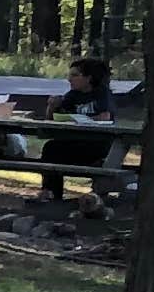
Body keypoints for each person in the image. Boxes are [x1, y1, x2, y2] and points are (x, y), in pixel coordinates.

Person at [40, 54, 118, 207]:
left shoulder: (102, 94)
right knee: (51, 148)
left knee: (55, 149)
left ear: (88, 78)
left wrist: (81, 119)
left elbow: (105, 116)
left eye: (75, 75)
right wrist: (52, 106)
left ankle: (96, 196)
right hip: (75, 142)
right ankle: (50, 193)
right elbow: (52, 120)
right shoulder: (72, 96)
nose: (70, 79)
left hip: (97, 145)